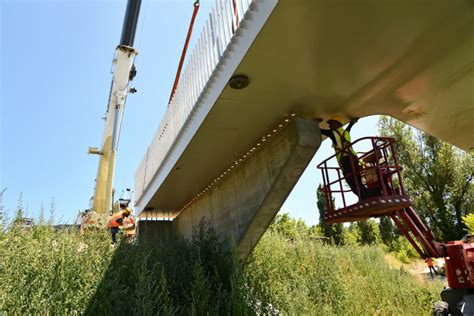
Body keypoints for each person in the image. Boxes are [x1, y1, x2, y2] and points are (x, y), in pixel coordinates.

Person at [320, 114, 371, 200]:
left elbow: (322, 131)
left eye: (331, 123)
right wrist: (352, 122)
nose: (329, 125)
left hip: (346, 161)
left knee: (352, 182)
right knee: (358, 181)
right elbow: (348, 128)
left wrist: (314, 123)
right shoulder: (345, 132)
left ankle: (364, 198)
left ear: (337, 123)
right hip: (354, 159)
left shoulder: (333, 133)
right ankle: (368, 196)